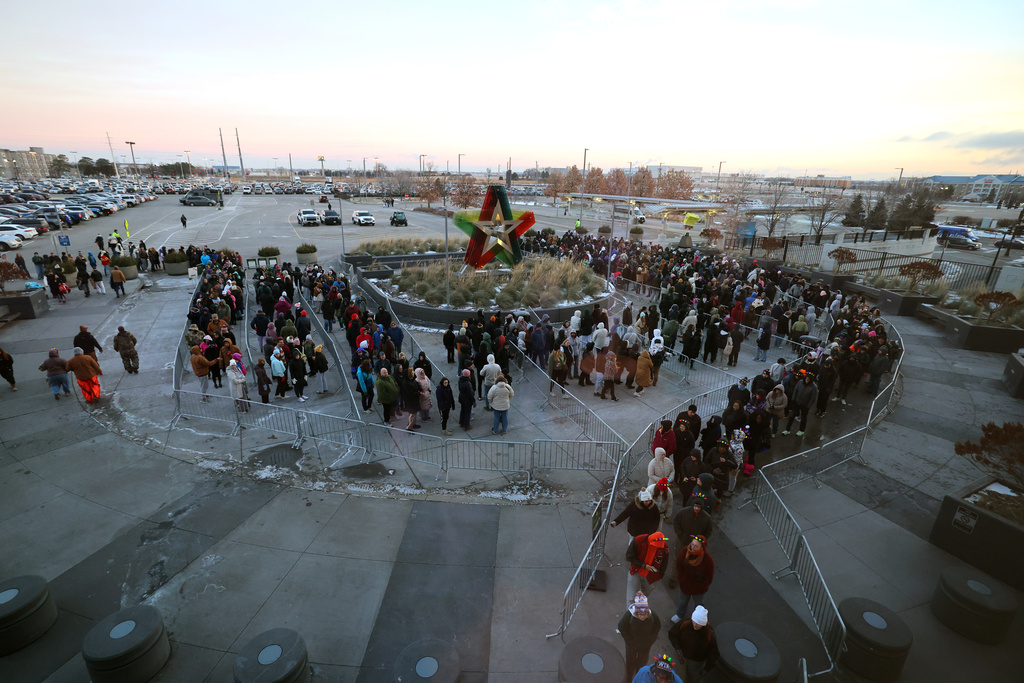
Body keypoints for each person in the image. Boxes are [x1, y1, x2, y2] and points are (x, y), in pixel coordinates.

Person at [618, 592, 662, 683]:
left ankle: (639, 678)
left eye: (645, 613)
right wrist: (629, 641)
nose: (643, 616)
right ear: (636, 612)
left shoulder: (653, 616)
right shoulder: (629, 616)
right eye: (640, 614)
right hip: (632, 645)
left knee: (642, 664)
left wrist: (651, 640)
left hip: (645, 646)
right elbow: (621, 627)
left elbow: (657, 626)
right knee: (630, 663)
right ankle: (628, 678)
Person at [668, 606, 719, 683]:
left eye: (699, 623)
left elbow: (713, 654)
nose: (695, 625)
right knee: (680, 677)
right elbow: (672, 634)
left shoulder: (709, 634)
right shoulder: (684, 624)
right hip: (682, 657)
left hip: (696, 663)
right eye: (694, 621)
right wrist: (677, 647)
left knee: (693, 680)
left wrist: (706, 669)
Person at [671, 535, 714, 624]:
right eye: (692, 544)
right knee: (683, 601)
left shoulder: (708, 560)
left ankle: (696, 619)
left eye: (696, 546)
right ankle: (680, 614)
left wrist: (703, 586)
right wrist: (681, 578)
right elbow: (679, 565)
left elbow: (709, 576)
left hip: (699, 589)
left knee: (698, 604)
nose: (692, 547)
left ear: (702, 547)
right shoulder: (684, 551)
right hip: (685, 584)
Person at [625, 530, 670, 608]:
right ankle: (629, 616)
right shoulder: (639, 540)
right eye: (655, 546)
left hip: (651, 577)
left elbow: (664, 562)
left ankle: (639, 614)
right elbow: (629, 556)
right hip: (636, 572)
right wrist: (643, 566)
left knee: (643, 598)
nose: (657, 547)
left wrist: (659, 576)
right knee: (631, 598)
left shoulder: (663, 546)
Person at [782, 371, 818, 436]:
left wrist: (808, 406)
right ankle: (787, 429)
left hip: (805, 405)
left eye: (808, 379)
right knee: (791, 416)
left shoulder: (813, 387)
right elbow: (796, 390)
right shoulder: (800, 382)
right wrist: (793, 399)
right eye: (806, 378)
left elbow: (813, 398)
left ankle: (801, 430)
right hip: (797, 403)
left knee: (803, 418)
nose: (807, 380)